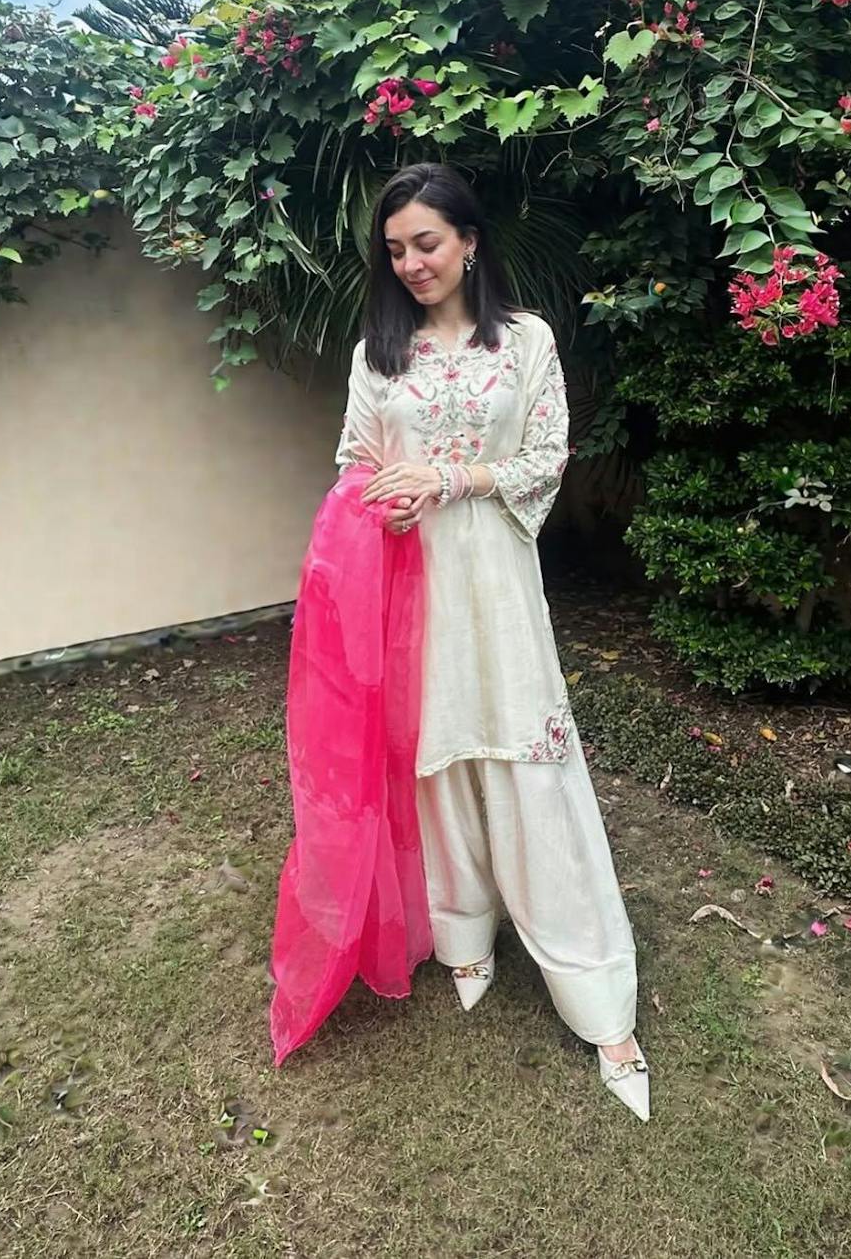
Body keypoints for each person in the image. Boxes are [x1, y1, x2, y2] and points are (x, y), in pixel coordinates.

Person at [334, 161, 650, 1121]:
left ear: (469, 242)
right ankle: (462, 931)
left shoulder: (526, 342)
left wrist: (450, 479)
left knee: (527, 763)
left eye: (426, 242)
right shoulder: (378, 353)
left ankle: (597, 993)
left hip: (498, 582)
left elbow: (546, 457)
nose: (411, 263)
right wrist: (383, 503)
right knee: (436, 760)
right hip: (412, 585)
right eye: (395, 249)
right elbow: (353, 466)